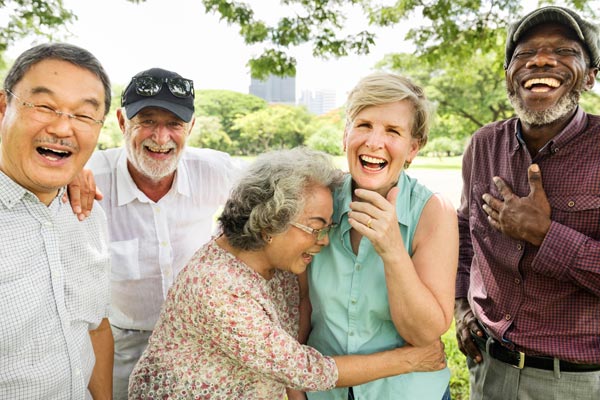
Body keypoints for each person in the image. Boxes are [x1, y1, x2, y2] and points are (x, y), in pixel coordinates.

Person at [128, 147, 447, 399]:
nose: (323, 242)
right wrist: (412, 360)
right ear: (269, 223)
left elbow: (299, 320)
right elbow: (306, 369)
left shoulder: (274, 265)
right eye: (315, 228)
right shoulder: (217, 288)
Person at [454, 6, 600, 400]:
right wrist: (460, 306)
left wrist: (545, 234)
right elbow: (465, 233)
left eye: (564, 50)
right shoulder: (484, 144)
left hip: (576, 380)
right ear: (508, 77)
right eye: (524, 53)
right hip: (489, 368)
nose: (541, 59)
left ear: (589, 76)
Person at [78, 67, 241, 399]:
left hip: (200, 340)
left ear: (191, 127)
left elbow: (280, 186)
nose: (161, 137)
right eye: (148, 121)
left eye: (174, 124)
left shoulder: (214, 170)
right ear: (123, 123)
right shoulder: (90, 176)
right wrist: (67, 174)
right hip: (124, 343)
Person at [306, 72, 458, 399]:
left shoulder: (434, 212)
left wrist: (392, 250)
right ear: (345, 136)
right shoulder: (316, 202)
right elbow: (298, 312)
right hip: (324, 392)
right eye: (363, 125)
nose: (374, 142)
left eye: (393, 131)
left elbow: (424, 333)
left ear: (413, 148)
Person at [0, 43, 112, 399]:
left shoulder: (88, 213)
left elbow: (95, 326)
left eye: (83, 115)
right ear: (3, 108)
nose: (63, 128)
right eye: (45, 107)